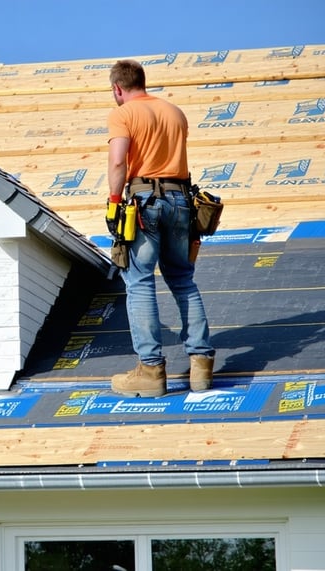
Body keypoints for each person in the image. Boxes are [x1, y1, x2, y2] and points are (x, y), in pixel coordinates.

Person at [105, 60, 215, 397]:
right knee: (182, 279)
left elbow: (118, 160)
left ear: (118, 88)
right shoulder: (174, 112)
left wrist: (114, 202)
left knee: (139, 282)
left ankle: (151, 371)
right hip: (181, 201)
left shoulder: (123, 114)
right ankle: (201, 365)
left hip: (144, 203)